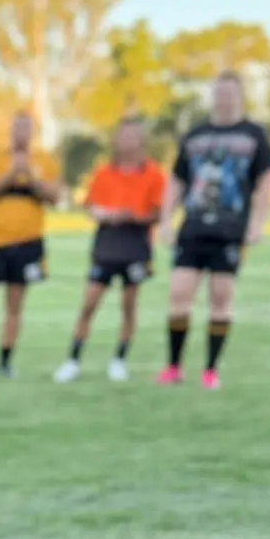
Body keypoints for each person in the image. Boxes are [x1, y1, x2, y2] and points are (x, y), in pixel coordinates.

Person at [156, 69, 270, 389]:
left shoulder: (254, 135)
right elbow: (177, 179)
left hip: (230, 230)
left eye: (230, 94)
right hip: (193, 227)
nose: (224, 100)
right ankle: (173, 367)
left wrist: (257, 224)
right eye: (220, 93)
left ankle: (210, 369)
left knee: (221, 298)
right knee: (179, 294)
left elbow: (265, 182)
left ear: (240, 97)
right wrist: (166, 220)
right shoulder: (195, 136)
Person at [53, 116, 167, 383]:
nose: (127, 141)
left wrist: (132, 216)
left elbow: (158, 212)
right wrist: (104, 214)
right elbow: (90, 206)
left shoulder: (153, 174)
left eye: (133, 136)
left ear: (142, 141)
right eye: (123, 135)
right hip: (107, 244)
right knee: (89, 303)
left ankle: (119, 359)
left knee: (129, 305)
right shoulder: (104, 172)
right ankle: (73, 360)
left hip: (135, 245)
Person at [0, 110, 63, 377]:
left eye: (26, 127)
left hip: (26, 242)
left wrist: (31, 177)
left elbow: (55, 197)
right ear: (11, 130)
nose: (21, 133)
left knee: (15, 304)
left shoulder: (45, 161)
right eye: (18, 127)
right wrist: (11, 174)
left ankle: (5, 361)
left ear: (33, 131)